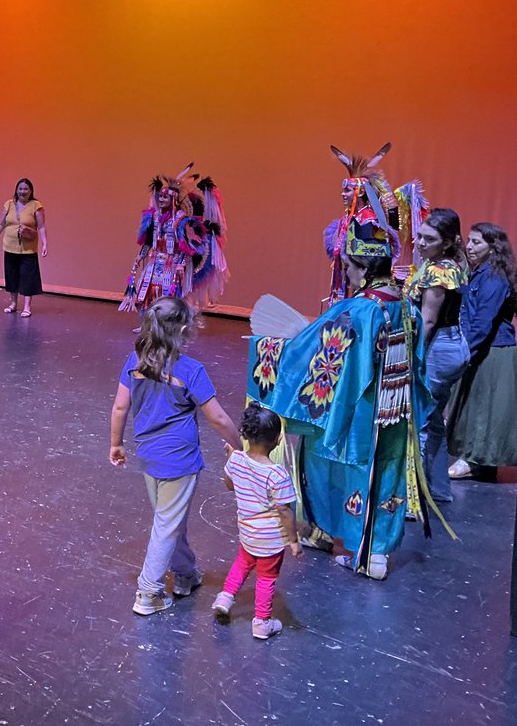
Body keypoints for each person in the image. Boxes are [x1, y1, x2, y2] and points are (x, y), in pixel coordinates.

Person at [248, 217, 438, 580]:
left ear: (364, 267)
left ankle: (356, 547)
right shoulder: (407, 306)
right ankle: (375, 552)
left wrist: (267, 348)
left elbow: (308, 353)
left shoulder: (359, 310)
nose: (346, 272)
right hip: (395, 412)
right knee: (386, 472)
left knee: (348, 468)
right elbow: (417, 366)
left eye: (349, 266)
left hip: (360, 412)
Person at [109, 297, 240, 615]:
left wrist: (116, 443)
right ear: (183, 330)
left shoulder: (134, 361)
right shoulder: (190, 370)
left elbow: (120, 406)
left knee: (170, 520)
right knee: (167, 523)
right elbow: (218, 418)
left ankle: (185, 575)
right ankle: (148, 592)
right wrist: (239, 446)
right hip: (179, 461)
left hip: (149, 456)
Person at [212, 403, 301, 640]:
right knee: (266, 578)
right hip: (270, 540)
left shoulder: (236, 460)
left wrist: (230, 460)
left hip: (247, 532)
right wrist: (293, 540)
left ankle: (225, 598)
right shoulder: (277, 475)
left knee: (242, 562)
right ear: (278, 439)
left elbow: (230, 485)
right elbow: (285, 511)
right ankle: (262, 622)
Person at [406, 208, 469, 504]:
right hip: (451, 346)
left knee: (418, 418)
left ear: (446, 243)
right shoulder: (447, 264)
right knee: (432, 422)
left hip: (438, 347)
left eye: (428, 239)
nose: (419, 243)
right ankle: (439, 490)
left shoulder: (438, 270)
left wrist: (413, 355)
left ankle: (412, 498)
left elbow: (428, 320)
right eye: (418, 236)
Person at [447, 223, 517, 481]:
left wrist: (464, 351)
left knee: (483, 408)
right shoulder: (481, 274)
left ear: (493, 247)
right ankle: (478, 460)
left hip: (492, 349)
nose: (470, 246)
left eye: (477, 242)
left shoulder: (494, 278)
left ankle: (474, 460)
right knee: (476, 404)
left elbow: (482, 321)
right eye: (470, 241)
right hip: (484, 348)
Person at [324, 143, 428, 306]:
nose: (343, 194)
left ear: (361, 192)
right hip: (351, 278)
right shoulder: (350, 218)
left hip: (366, 283)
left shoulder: (369, 219)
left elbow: (376, 257)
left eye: (347, 191)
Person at [118, 165, 228, 315]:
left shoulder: (181, 220)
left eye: (165, 197)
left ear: (173, 200)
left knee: (169, 296)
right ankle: (148, 325)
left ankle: (169, 327)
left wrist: (181, 265)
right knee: (146, 293)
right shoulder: (154, 217)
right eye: (161, 197)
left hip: (171, 263)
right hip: (154, 261)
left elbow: (185, 247)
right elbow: (149, 241)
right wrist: (139, 257)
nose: (161, 199)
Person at [0, 178, 48, 317]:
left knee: (28, 277)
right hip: (10, 246)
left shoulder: (36, 205)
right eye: (20, 189)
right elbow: (1, 224)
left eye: (26, 189)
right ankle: (13, 303)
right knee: (11, 275)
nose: (23, 191)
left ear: (31, 191)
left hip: (28, 248)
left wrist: (45, 243)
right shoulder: (9, 204)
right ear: (16, 190)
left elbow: (42, 226)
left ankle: (27, 307)